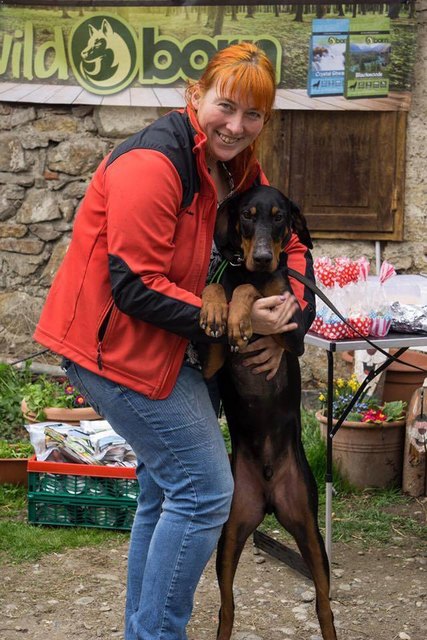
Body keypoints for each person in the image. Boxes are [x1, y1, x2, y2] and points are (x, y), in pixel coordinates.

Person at [34, 43, 315, 640]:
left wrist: (297, 314)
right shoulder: (153, 162)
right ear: (196, 97)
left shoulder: (240, 169)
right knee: (206, 491)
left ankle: (145, 633)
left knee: (164, 496)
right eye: (226, 107)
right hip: (115, 351)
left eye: (254, 115)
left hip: (169, 353)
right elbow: (134, 286)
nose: (237, 126)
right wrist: (239, 320)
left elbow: (290, 244)